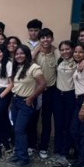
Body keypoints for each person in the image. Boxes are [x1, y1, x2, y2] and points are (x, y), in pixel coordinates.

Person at [8, 45, 46, 167]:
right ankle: (18, 154)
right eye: (17, 54)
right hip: (16, 101)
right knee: (16, 129)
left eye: (22, 53)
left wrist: (31, 98)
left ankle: (24, 159)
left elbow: (43, 84)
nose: (19, 56)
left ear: (27, 55)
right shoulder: (18, 67)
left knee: (20, 130)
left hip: (26, 102)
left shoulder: (34, 67)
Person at [32, 28, 58, 158]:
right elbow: (28, 63)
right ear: (39, 40)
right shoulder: (35, 54)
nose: (45, 40)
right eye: (43, 38)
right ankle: (31, 145)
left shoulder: (56, 53)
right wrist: (36, 51)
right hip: (35, 90)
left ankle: (43, 147)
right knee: (32, 119)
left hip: (50, 91)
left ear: (52, 38)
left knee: (46, 121)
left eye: (48, 37)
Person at [51, 40, 76, 167]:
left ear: (73, 49)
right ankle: (58, 150)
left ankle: (65, 153)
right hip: (58, 95)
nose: (65, 51)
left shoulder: (77, 62)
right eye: (62, 50)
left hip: (70, 95)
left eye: (67, 49)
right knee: (59, 124)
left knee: (68, 125)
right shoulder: (60, 60)